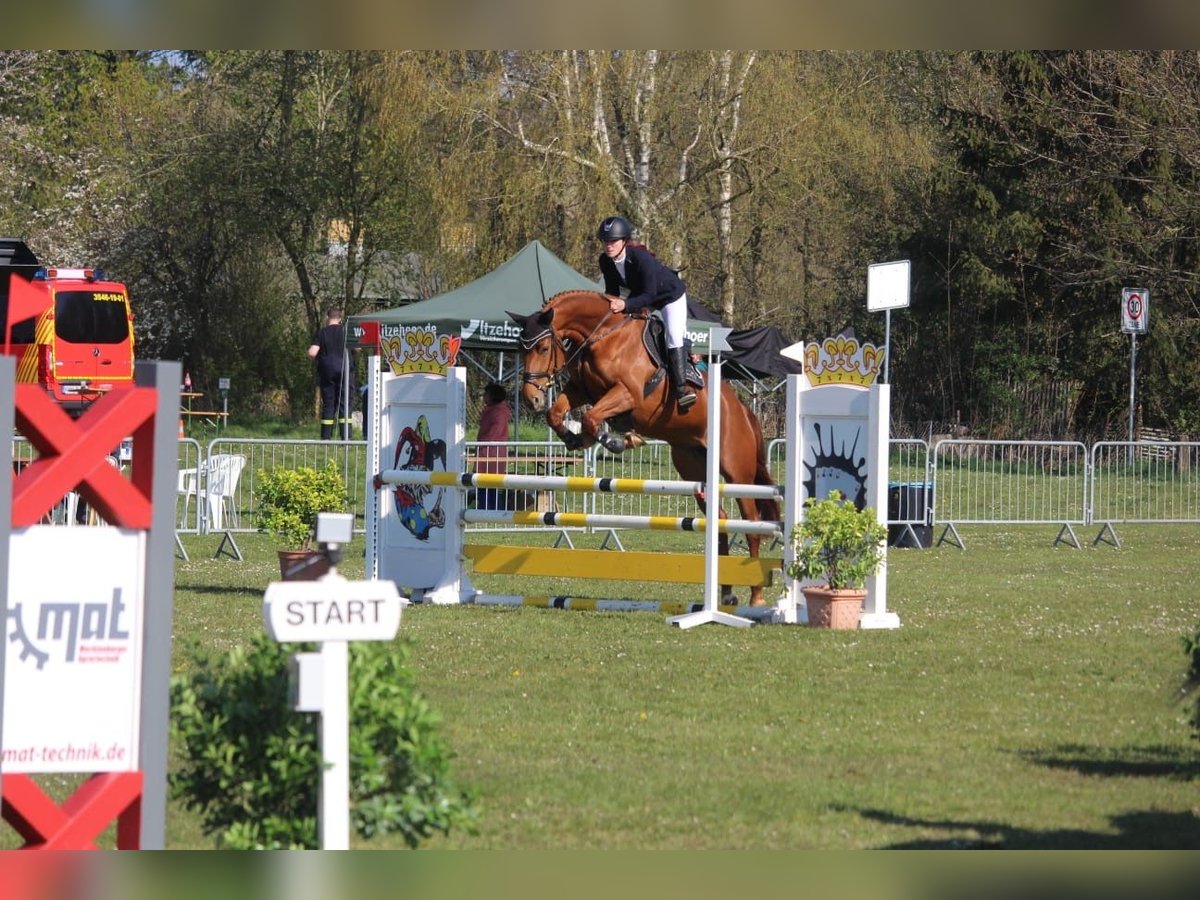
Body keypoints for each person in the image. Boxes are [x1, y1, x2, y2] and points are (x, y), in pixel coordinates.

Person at [596, 215, 697, 412]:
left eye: (613, 241)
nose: (609, 246)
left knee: (674, 335)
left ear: (624, 241)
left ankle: (681, 390)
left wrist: (625, 304)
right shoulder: (605, 261)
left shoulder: (641, 258)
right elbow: (612, 291)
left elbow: (650, 295)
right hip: (641, 296)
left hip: (668, 296)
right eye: (605, 242)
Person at [307, 306, 356, 440]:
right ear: (340, 319)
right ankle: (346, 438)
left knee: (329, 403)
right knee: (345, 403)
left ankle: (326, 438)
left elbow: (312, 352)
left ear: (327, 318)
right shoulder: (347, 331)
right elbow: (357, 347)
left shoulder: (321, 333)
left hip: (327, 370)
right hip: (345, 370)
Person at [474, 381, 513, 510]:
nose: (484, 396)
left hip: (491, 452)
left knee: (489, 483)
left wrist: (482, 443)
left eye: (486, 394)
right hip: (488, 451)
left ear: (493, 396)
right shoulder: (493, 410)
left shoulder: (498, 412)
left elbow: (494, 433)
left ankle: (490, 509)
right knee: (484, 483)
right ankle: (485, 508)